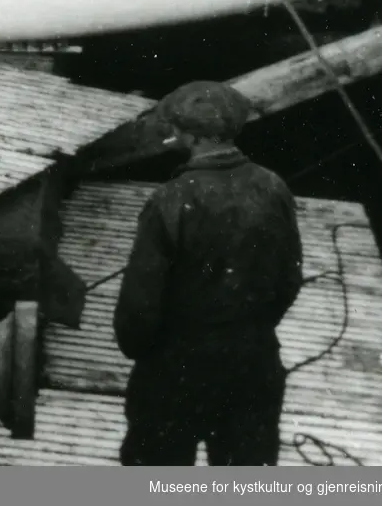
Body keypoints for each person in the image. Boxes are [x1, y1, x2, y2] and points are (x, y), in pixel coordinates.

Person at [113, 80, 303, 466]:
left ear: (188, 135)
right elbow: (289, 280)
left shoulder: (169, 200)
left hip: (175, 369)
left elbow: (139, 307)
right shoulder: (274, 187)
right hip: (252, 365)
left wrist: (145, 355)